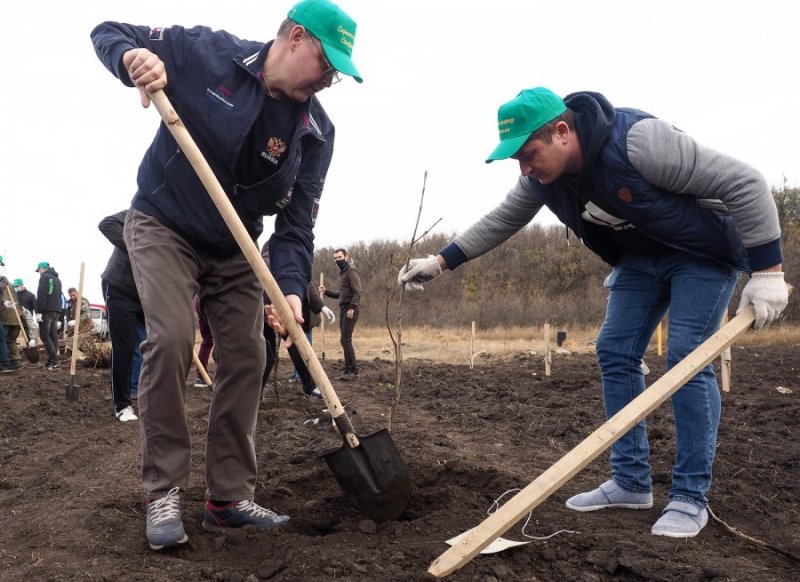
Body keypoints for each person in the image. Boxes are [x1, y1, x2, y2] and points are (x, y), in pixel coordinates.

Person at [399, 87, 788, 539]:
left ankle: (689, 496)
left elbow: (746, 183)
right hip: (640, 256)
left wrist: (768, 272)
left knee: (687, 356)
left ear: (562, 132)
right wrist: (441, 262)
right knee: (614, 350)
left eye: (528, 155)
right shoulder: (543, 180)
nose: (525, 169)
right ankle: (630, 482)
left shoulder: (639, 143)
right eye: (517, 161)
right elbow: (503, 219)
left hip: (701, 252)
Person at [91, 0, 362, 550]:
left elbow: (296, 227)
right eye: (326, 63)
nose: (330, 80)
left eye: (337, 73)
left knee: (248, 353)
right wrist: (133, 59)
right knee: (169, 338)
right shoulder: (209, 53)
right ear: (294, 39)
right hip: (164, 222)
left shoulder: (316, 132)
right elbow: (108, 30)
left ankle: (227, 499)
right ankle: (164, 490)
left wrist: (288, 287)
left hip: (236, 241)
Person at [99, 210, 143, 422]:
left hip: (148, 295)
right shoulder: (144, 210)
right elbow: (106, 224)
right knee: (125, 346)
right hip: (120, 288)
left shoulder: (181, 223)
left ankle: (139, 389)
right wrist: (138, 250)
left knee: (148, 345)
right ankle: (122, 404)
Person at [320, 248, 362, 380]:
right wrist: (326, 292)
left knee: (345, 339)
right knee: (344, 340)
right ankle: (347, 370)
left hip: (351, 310)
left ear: (346, 257)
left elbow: (357, 292)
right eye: (335, 258)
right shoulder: (342, 274)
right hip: (343, 309)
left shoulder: (351, 271)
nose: (337, 260)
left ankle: (353, 371)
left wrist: (352, 308)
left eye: (339, 257)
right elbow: (341, 295)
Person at [35, 261, 64, 370]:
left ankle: (55, 361)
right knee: (53, 336)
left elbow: (42, 294)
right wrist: (60, 314)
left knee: (44, 335)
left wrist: (39, 311)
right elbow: (59, 297)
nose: (39, 272)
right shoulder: (57, 280)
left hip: (46, 311)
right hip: (56, 310)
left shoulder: (44, 278)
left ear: (42, 268)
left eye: (39, 270)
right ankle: (51, 361)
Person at [193, 296, 215, 388]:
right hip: (214, 300)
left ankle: (200, 377)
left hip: (200, 299)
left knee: (207, 341)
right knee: (223, 339)